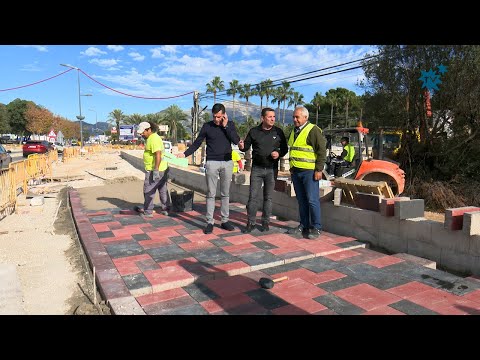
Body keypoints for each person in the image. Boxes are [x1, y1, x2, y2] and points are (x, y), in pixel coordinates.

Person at [177, 103, 240, 234]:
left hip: (228, 162)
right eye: (214, 117)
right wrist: (185, 154)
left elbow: (236, 140)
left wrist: (226, 126)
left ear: (224, 115)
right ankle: (210, 222)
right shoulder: (207, 126)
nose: (216, 119)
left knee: (225, 194)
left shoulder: (230, 125)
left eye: (219, 117)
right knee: (211, 194)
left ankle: (225, 221)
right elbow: (197, 143)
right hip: (212, 163)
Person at [238, 107, 288, 233]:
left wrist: (278, 153)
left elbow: (285, 149)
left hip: (272, 170)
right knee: (253, 197)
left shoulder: (278, 132)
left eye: (274, 117)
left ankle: (265, 223)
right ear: (263, 118)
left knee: (268, 198)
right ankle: (251, 223)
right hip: (257, 169)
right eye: (270, 117)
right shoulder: (254, 131)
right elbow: (246, 147)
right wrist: (242, 146)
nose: (272, 119)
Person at [287, 106, 326, 239]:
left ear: (305, 117)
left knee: (312, 200)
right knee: (301, 200)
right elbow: (294, 150)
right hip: (296, 172)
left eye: (297, 117)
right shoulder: (294, 131)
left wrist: (319, 169)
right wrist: (292, 169)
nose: (295, 119)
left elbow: (321, 151)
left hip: (309, 172)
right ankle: (304, 225)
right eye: (293, 117)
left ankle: (317, 227)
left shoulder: (313, 130)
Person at [134, 121, 170, 218]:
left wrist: (156, 170)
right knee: (162, 189)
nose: (141, 134)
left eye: (143, 132)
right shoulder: (151, 138)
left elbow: (158, 154)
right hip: (162, 169)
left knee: (148, 190)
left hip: (155, 169)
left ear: (149, 130)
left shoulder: (153, 139)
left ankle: (148, 211)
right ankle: (165, 209)